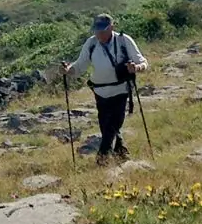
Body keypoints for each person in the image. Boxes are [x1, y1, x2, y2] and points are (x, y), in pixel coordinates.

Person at [62, 13, 147, 166]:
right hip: (100, 92)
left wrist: (137, 68)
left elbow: (142, 61)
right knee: (106, 124)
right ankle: (120, 151)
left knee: (114, 123)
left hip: (121, 90)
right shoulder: (91, 43)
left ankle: (102, 158)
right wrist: (68, 71)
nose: (99, 34)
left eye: (103, 30)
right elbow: (80, 66)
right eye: (96, 30)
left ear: (111, 27)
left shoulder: (124, 40)